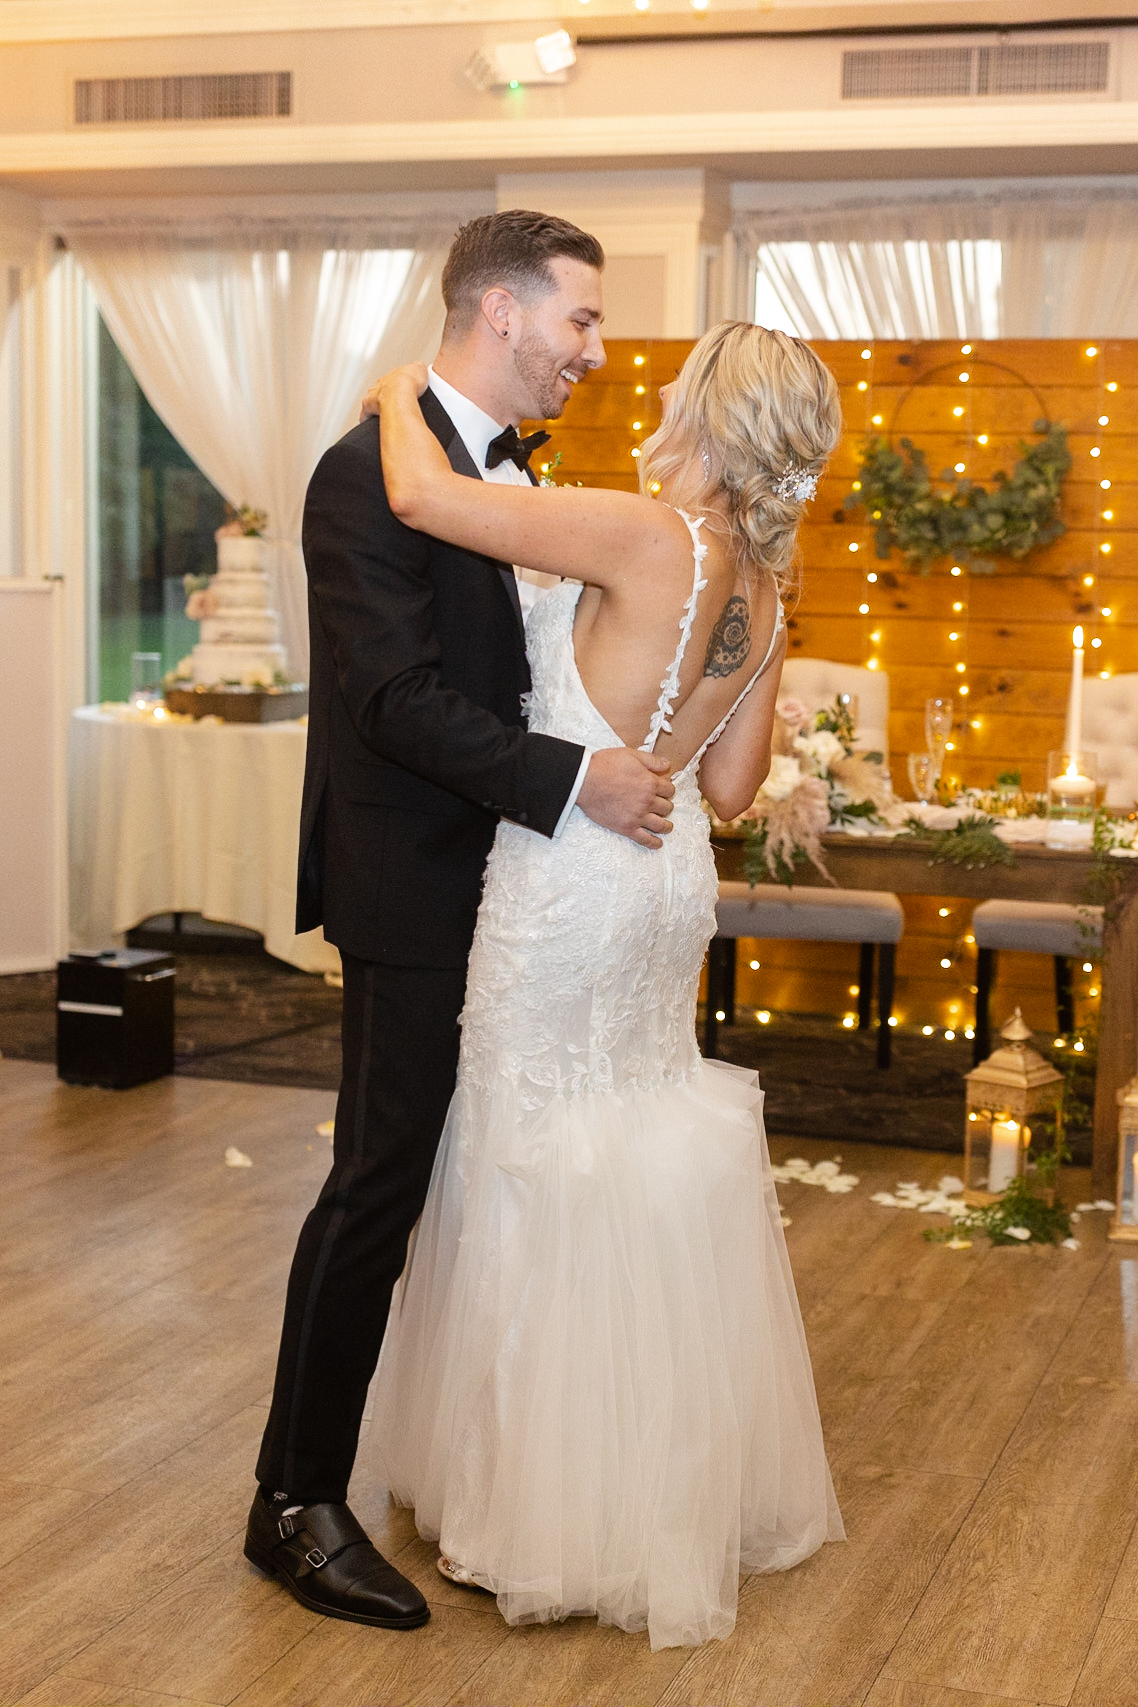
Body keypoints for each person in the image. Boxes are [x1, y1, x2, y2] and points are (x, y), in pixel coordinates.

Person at [362, 320, 846, 1650]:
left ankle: (536, 1511)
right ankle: (648, 1484)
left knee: (532, 1149)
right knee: (630, 1132)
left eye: (680, 387)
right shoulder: (763, 576)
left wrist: (398, 389)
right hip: (667, 875)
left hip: (574, 875)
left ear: (707, 414)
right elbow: (736, 788)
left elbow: (423, 496)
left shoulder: (647, 535)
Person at [245, 211, 676, 1630]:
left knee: (477, 1183)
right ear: (499, 311)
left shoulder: (496, 474)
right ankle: (292, 1505)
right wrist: (578, 785)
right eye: (580, 321)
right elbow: (388, 701)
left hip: (520, 893)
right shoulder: (361, 478)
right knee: (378, 1185)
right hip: (418, 886)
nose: (592, 353)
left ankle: (468, 1465)